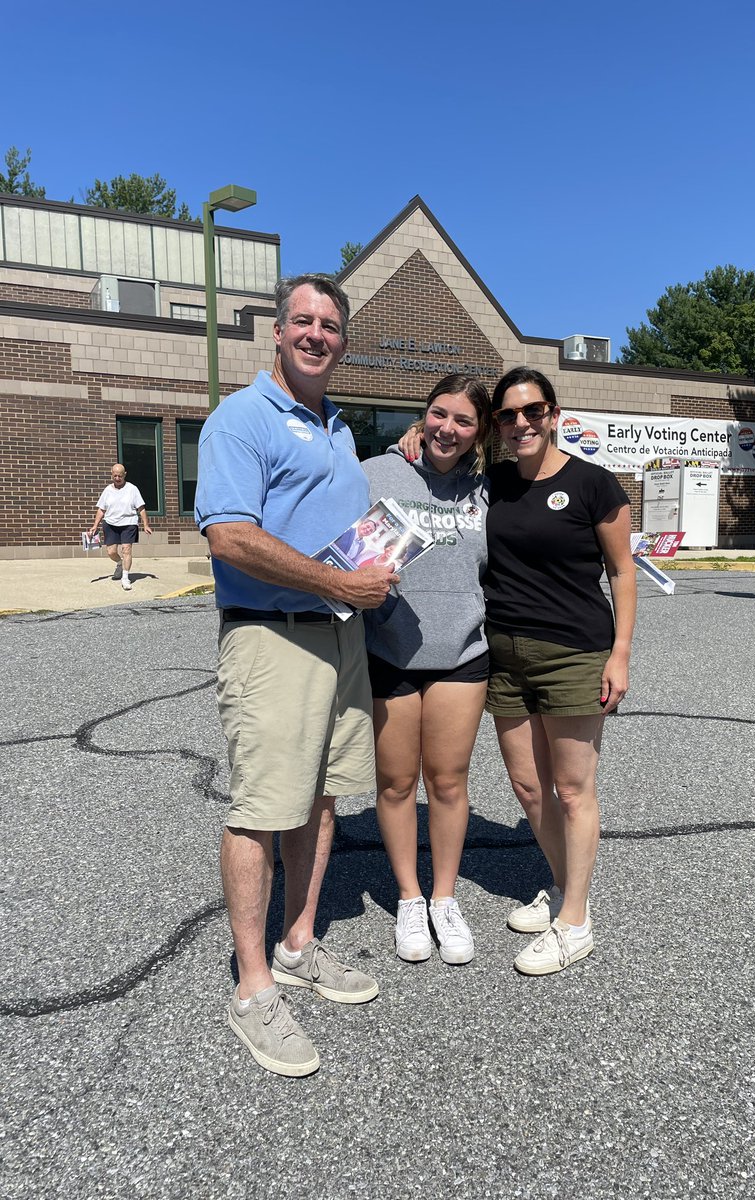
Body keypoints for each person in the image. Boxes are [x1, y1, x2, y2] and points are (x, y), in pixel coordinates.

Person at [194, 273, 395, 1078]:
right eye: (304, 321)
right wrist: (338, 581)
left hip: (339, 637)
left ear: (343, 341)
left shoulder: (337, 426)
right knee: (260, 810)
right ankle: (252, 989)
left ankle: (299, 943)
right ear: (277, 332)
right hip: (272, 638)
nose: (317, 335)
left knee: (321, 797)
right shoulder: (242, 418)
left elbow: (333, 522)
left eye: (331, 325)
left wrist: (370, 572)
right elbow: (230, 537)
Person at [483, 367, 636, 976]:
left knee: (573, 790)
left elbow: (622, 572)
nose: (521, 423)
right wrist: (412, 437)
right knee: (528, 786)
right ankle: (562, 884)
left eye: (533, 411)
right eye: (508, 415)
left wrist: (620, 653)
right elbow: (436, 462)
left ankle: (575, 922)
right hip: (504, 654)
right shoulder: (492, 482)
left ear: (554, 414)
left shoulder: (593, 483)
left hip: (575, 652)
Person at [364, 374, 491, 966]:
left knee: (447, 782)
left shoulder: (487, 489)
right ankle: (409, 898)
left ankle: (444, 898)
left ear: (479, 432)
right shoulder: (377, 473)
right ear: (424, 414)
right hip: (388, 649)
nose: (447, 428)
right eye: (439, 414)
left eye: (464, 421)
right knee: (395, 783)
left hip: (461, 653)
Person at [88, 464, 152, 591]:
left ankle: (125, 578)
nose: (117, 478)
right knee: (111, 552)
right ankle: (119, 563)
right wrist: (95, 525)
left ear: (125, 475)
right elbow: (101, 509)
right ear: (111, 474)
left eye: (120, 476)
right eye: (115, 476)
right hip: (110, 523)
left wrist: (146, 524)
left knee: (126, 550)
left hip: (129, 523)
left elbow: (141, 508)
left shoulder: (132, 489)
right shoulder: (108, 490)